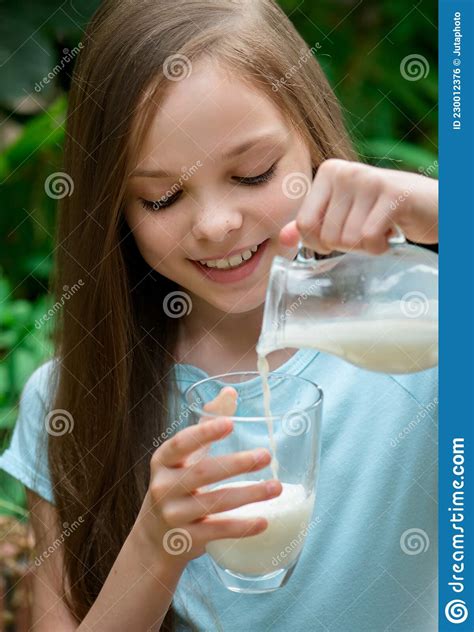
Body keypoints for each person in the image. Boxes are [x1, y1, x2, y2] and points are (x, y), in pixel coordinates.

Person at [0, 0, 438, 630]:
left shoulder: (421, 331)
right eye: (162, 197)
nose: (214, 225)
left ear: (313, 141)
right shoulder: (74, 400)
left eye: (253, 174)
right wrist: (155, 548)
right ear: (114, 211)